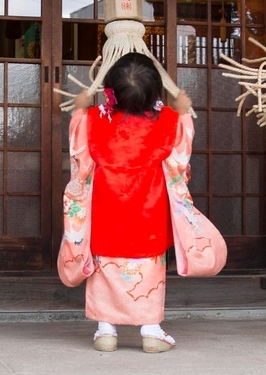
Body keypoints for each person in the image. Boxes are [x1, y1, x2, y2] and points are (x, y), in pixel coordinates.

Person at [58, 52, 226, 353]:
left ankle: (105, 331)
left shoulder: (94, 120)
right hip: (149, 215)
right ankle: (151, 330)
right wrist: (184, 111)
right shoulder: (170, 122)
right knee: (147, 272)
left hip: (105, 214)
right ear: (154, 92)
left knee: (105, 268)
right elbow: (179, 159)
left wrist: (81, 110)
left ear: (110, 91)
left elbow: (80, 157)